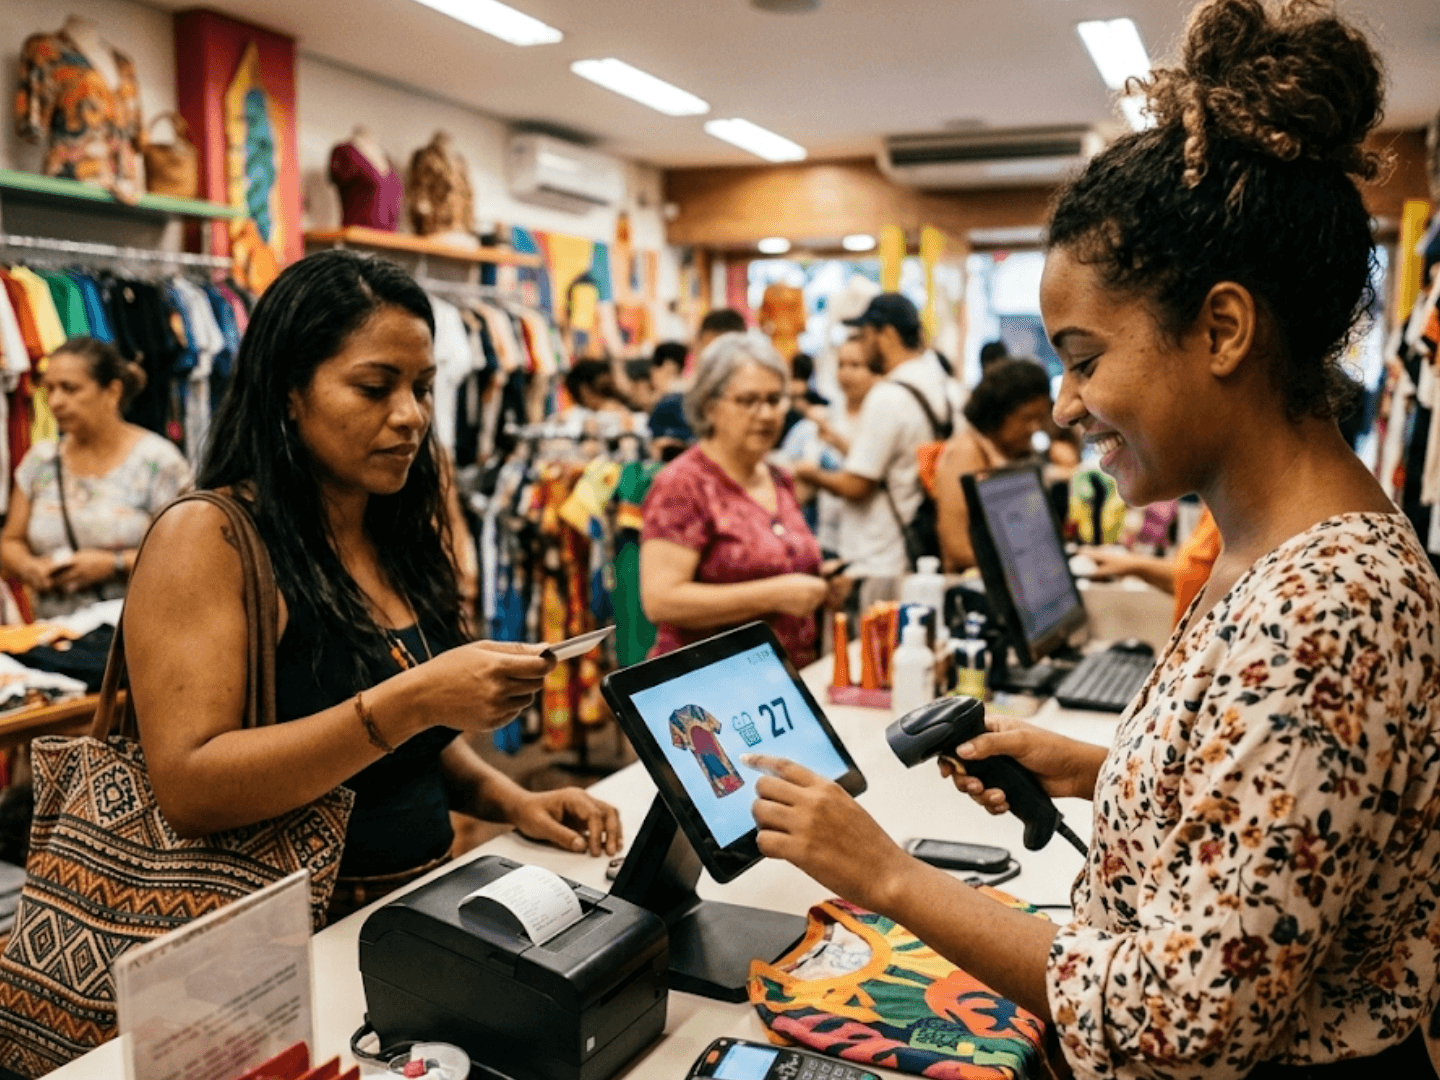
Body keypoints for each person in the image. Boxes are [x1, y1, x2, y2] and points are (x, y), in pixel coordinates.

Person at [747, 2, 1440, 1075]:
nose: (1065, 408)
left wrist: (887, 876)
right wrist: (1100, 767)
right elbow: (1277, 814)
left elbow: (1182, 1024)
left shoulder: (1325, 606)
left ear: (1221, 330)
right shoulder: (1295, 553)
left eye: (1083, 358)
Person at [121, 251, 619, 925]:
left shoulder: (392, 526)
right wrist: (412, 700)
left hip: (415, 910)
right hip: (280, 937)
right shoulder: (210, 537)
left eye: (422, 387)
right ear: (289, 393)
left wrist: (511, 801)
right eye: (374, 387)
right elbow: (190, 786)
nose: (411, 416)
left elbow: (403, 754)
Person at [640, 330, 841, 668]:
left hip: (782, 683)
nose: (765, 414)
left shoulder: (779, 478)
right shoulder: (684, 484)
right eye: (748, 401)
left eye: (775, 400)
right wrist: (775, 595)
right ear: (710, 406)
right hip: (712, 688)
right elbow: (661, 599)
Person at [0, 337, 190, 618]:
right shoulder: (40, 461)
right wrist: (31, 568)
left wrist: (113, 564)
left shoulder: (159, 463)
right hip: (59, 641)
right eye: (49, 389)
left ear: (112, 391)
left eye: (70, 389)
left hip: (136, 637)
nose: (56, 402)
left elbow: (188, 556)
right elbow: (10, 541)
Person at [794, 293, 953, 589]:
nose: (862, 346)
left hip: (877, 554)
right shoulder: (940, 385)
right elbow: (900, 461)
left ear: (887, 335)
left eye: (865, 336)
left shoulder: (887, 395)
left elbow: (859, 486)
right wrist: (843, 445)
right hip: (913, 540)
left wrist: (809, 474)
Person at [932, 358, 1053, 571]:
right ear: (998, 413)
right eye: (1027, 418)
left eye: (1040, 419)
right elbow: (958, 547)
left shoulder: (1014, 452)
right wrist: (1026, 566)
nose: (1035, 428)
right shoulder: (965, 453)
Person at [809, 335, 882, 557]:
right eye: (841, 365)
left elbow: (869, 475)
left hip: (868, 542)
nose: (845, 373)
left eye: (855, 365)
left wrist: (843, 446)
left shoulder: (880, 417)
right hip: (827, 537)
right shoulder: (827, 416)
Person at [650, 310, 746, 457]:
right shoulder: (672, 405)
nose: (714, 362)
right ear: (696, 347)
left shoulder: (757, 408)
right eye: (709, 351)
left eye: (724, 354)